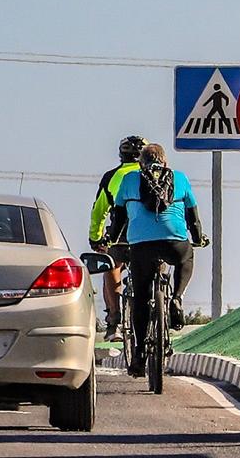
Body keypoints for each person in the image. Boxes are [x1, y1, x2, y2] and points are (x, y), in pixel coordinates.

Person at [108, 142, 208, 375]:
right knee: (186, 257)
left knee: (141, 297)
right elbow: (193, 216)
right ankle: (176, 297)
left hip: (141, 245)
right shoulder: (180, 178)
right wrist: (198, 237)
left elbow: (118, 217)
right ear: (165, 162)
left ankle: (140, 354)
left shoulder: (130, 180)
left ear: (140, 162)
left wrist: (112, 239)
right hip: (174, 241)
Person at [89, 135, 146, 337]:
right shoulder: (155, 174)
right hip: (151, 235)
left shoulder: (112, 177)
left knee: (111, 266)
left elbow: (99, 211)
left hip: (120, 233)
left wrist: (95, 239)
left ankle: (114, 320)